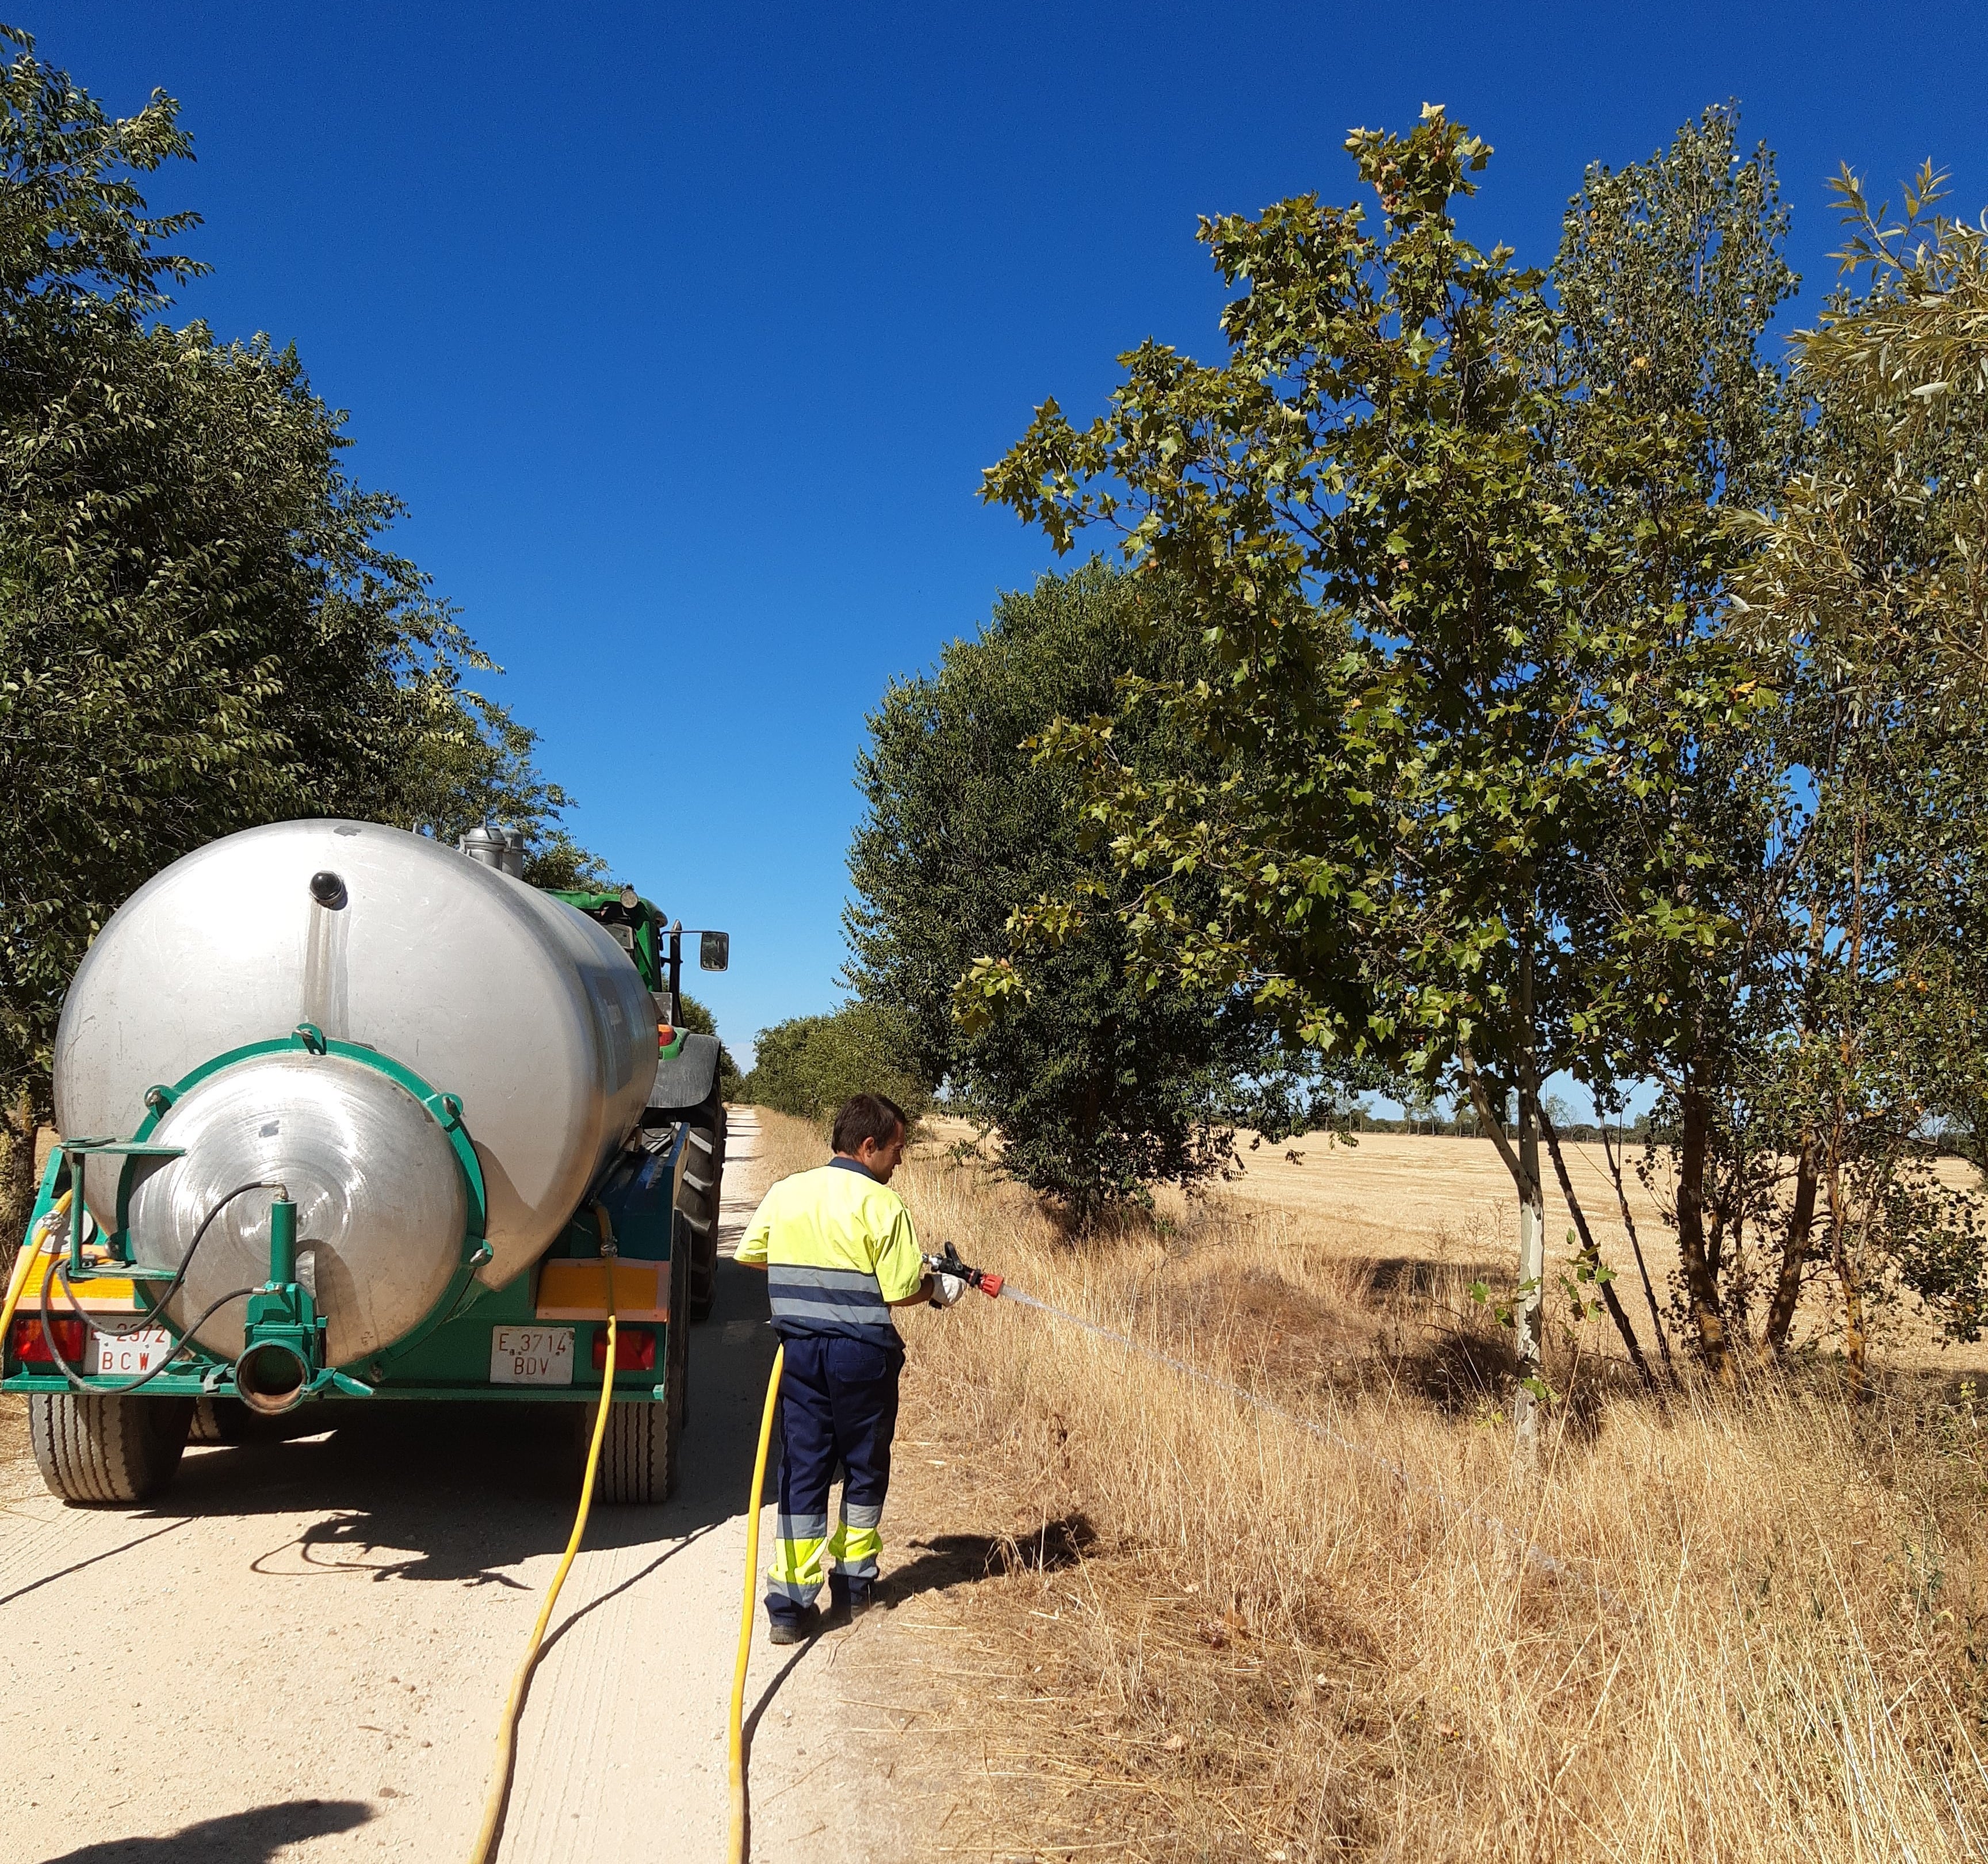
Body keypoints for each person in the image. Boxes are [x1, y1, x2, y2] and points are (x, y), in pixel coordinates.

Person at [735, 1091, 963, 1643]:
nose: (900, 1161)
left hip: (801, 1355)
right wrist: (942, 1288)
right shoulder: (884, 1206)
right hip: (861, 1355)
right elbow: (902, 1287)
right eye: (897, 1149)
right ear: (869, 1146)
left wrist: (812, 1272)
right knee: (863, 1467)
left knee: (804, 1469)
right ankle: (855, 1587)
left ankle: (789, 1607)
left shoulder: (787, 1192)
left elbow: (752, 1253)